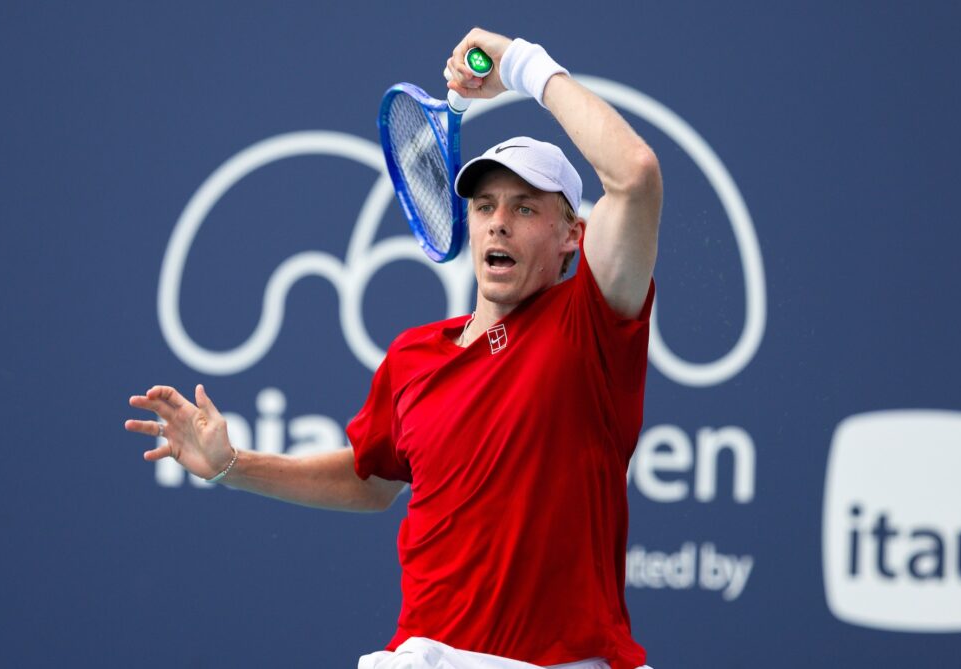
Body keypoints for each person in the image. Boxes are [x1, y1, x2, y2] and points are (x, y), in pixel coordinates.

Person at [125, 28, 661, 669]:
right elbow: (370, 480)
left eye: (524, 208)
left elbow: (634, 176)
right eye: (485, 204)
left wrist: (522, 66)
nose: (497, 221)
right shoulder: (414, 356)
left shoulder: (590, 327)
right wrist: (233, 465)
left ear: (572, 234)